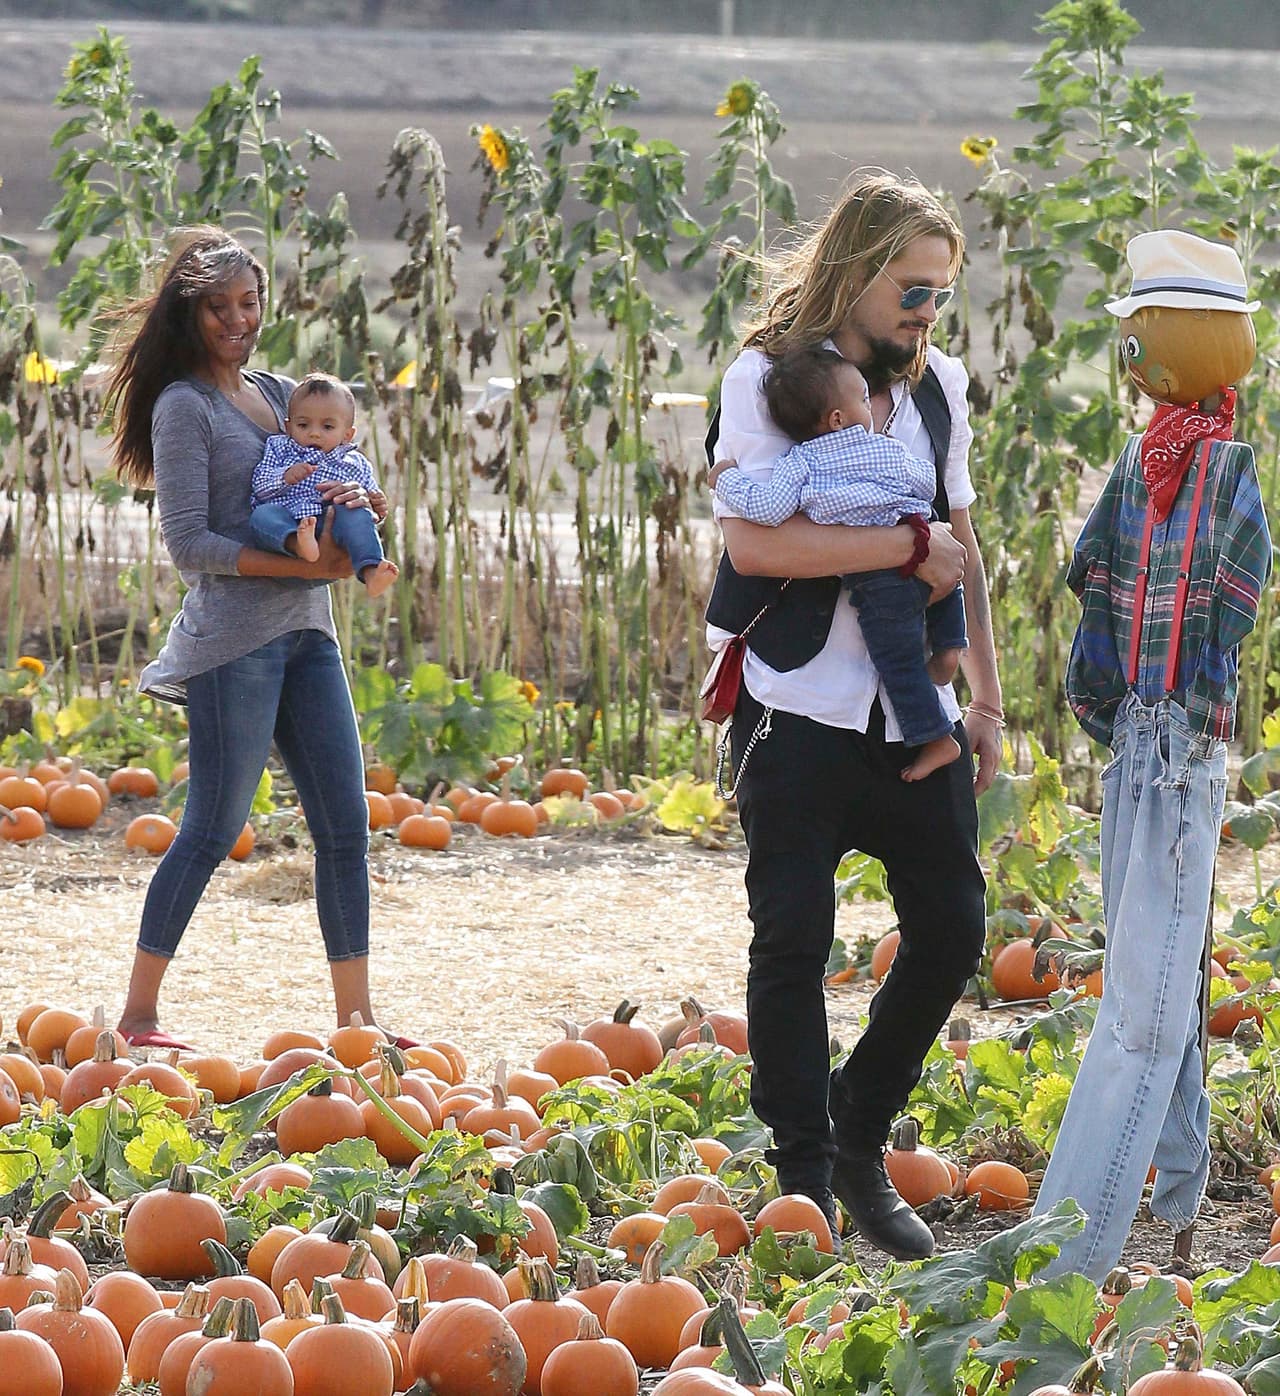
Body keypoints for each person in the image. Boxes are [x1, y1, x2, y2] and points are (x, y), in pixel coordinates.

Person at [705, 169, 1003, 1260]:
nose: (925, 315)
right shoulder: (764, 379)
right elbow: (758, 544)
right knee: (791, 938)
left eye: (937, 295)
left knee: (953, 928)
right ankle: (800, 1186)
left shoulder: (937, 389)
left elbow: (963, 544)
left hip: (914, 710)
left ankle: (854, 1133)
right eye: (909, 292)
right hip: (797, 707)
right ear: (852, 271)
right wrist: (898, 548)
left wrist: (983, 695)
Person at [1032, 231, 1271, 1279]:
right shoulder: (1180, 462)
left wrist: (1142, 695)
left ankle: (1120, 1228)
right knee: (1150, 988)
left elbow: (1113, 575)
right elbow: (1201, 591)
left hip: (1149, 741)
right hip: (1161, 741)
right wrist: (1178, 695)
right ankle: (1121, 1224)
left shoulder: (1179, 464)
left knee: (1152, 984)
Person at [106, 225, 402, 1052]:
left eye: (249, 302)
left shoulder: (277, 393)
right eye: (219, 306)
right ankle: (137, 1019)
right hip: (233, 645)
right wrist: (305, 572)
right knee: (212, 826)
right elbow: (190, 543)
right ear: (188, 311)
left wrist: (364, 514)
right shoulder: (183, 408)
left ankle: (359, 1025)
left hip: (311, 638)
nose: (238, 320)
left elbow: (335, 468)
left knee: (346, 827)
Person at [709, 346, 967, 781]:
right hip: (925, 546)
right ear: (837, 417)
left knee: (897, 658)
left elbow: (769, 509)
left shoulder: (801, 463)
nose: (872, 406)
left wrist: (726, 478)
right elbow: (927, 481)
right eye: (864, 399)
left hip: (880, 579)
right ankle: (949, 645)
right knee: (944, 579)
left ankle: (936, 737)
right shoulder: (884, 449)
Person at [250, 372, 399, 600]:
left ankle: (371, 570)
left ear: (347, 434)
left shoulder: (355, 463)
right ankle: (298, 545)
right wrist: (285, 477)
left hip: (333, 517)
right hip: (289, 518)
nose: (314, 433)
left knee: (356, 513)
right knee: (262, 515)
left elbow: (369, 500)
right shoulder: (280, 448)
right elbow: (259, 486)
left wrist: (376, 507)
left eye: (328, 427)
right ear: (289, 427)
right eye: (303, 424)